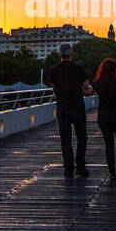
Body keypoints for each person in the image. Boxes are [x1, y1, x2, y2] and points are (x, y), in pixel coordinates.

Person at [47, 43, 93, 177]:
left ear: (60, 54)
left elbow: (54, 88)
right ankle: (80, 165)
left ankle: (68, 169)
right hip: (77, 106)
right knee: (82, 138)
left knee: (65, 140)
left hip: (62, 108)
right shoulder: (78, 68)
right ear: (71, 54)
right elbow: (86, 86)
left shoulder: (55, 70)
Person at [92, 58, 116, 179]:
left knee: (109, 144)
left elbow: (87, 92)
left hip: (104, 115)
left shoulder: (99, 83)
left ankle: (112, 172)